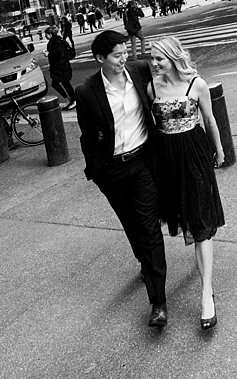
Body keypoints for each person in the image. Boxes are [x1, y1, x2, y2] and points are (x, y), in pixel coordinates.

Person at [75, 30, 168, 327]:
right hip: (112, 170)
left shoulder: (139, 70)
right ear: (100, 59)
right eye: (117, 55)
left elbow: (166, 82)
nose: (124, 58)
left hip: (142, 161)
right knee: (131, 224)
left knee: (148, 227)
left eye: (125, 52)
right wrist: (96, 168)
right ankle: (146, 262)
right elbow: (87, 135)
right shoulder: (87, 91)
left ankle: (158, 302)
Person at [145, 36, 226, 330]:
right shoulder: (152, 87)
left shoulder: (196, 85)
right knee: (188, 219)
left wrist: (219, 150)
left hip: (193, 153)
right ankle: (204, 275)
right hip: (167, 159)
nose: (153, 64)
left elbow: (210, 119)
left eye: (158, 59)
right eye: (151, 58)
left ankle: (207, 296)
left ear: (173, 59)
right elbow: (154, 128)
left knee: (201, 222)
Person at [46, 26, 77, 110]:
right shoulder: (54, 41)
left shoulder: (56, 42)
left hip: (61, 67)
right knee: (60, 83)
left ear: (51, 34)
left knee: (64, 83)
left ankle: (73, 100)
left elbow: (59, 54)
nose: (45, 36)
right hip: (59, 67)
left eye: (47, 34)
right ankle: (69, 99)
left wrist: (48, 54)